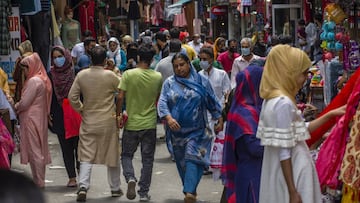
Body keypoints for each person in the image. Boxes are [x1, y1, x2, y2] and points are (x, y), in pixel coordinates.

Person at [256, 45, 346, 203]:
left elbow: (297, 130)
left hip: (279, 172)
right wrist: (292, 191)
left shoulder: (270, 100)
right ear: (289, 73)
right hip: (294, 171)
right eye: (303, 73)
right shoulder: (283, 103)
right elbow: (285, 152)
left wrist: (330, 114)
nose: (306, 78)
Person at [157, 53, 223, 203]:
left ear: (189, 64)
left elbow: (211, 100)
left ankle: (188, 192)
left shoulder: (201, 81)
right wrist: (168, 118)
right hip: (177, 133)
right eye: (176, 66)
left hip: (198, 131)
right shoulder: (169, 83)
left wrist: (219, 117)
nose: (179, 68)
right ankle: (191, 192)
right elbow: (162, 102)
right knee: (183, 164)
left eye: (182, 64)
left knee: (193, 156)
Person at [68, 46, 122, 202]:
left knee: (86, 154)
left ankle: (83, 186)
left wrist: (82, 109)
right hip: (108, 121)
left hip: (89, 120)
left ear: (90, 59)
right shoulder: (110, 76)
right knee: (112, 154)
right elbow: (122, 90)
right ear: (105, 60)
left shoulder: (82, 75)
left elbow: (72, 97)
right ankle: (115, 188)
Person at [116, 45, 162, 202]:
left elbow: (120, 96)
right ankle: (143, 192)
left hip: (132, 124)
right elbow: (157, 99)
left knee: (126, 155)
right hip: (149, 123)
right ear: (152, 59)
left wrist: (118, 114)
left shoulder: (128, 74)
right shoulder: (157, 77)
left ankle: (130, 177)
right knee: (147, 159)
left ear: (137, 58)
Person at [222, 63, 264, 203]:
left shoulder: (248, 109)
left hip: (251, 172)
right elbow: (255, 148)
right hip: (251, 175)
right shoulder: (246, 113)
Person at [14, 52, 52, 188]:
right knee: (38, 150)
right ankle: (39, 180)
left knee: (35, 151)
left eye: (25, 68)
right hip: (38, 118)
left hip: (31, 119)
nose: (24, 72)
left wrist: (15, 105)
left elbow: (24, 103)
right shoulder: (42, 79)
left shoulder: (33, 81)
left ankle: (39, 181)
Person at [48, 46, 79, 187]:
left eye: (59, 56)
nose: (57, 60)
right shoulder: (50, 75)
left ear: (65, 56)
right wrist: (48, 114)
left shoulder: (76, 73)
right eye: (54, 57)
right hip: (60, 116)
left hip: (76, 114)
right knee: (66, 149)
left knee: (79, 148)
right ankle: (72, 177)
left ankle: (82, 174)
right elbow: (48, 97)